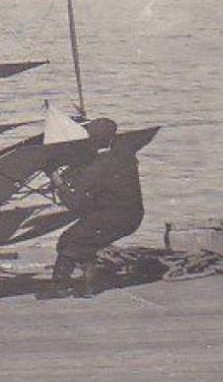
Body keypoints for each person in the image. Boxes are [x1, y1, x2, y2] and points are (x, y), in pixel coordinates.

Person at [41, 118, 145, 299]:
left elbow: (73, 203)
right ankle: (88, 286)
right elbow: (105, 173)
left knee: (69, 240)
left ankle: (60, 287)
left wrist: (56, 179)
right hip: (132, 215)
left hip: (112, 218)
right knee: (87, 239)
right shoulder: (125, 156)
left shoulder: (96, 168)